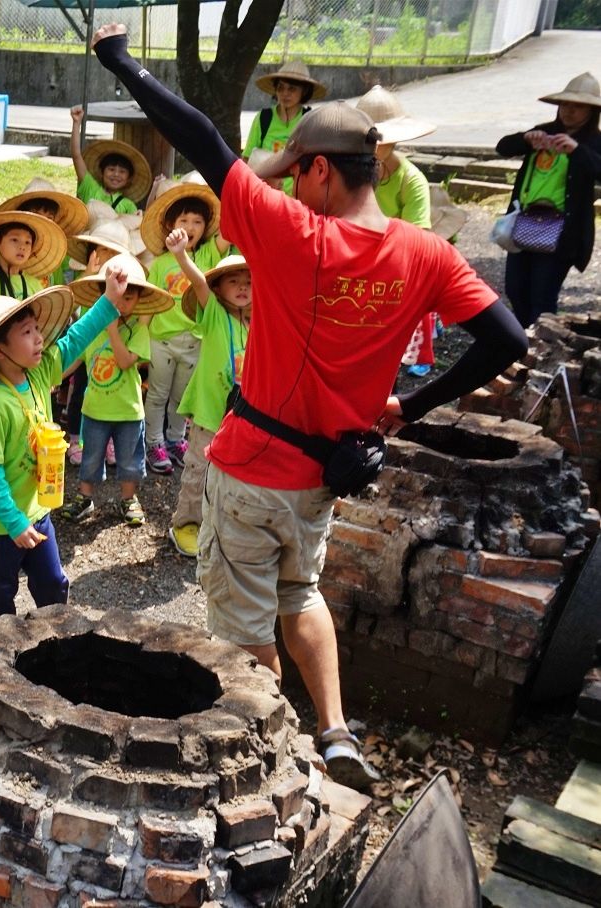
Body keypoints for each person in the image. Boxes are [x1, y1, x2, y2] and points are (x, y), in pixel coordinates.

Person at [92, 21, 526, 790]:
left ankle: (275, 746)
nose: (288, 183)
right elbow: (504, 337)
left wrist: (119, 60)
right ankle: (332, 730)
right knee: (303, 593)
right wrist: (411, 407)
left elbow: (197, 135)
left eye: (297, 169)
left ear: (322, 169)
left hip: (255, 466)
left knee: (244, 626)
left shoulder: (292, 232)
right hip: (329, 474)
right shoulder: (423, 253)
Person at [0, 269, 138, 628]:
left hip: (38, 512)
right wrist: (13, 522)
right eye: (26, 333)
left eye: (37, 329)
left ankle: (58, 651)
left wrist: (108, 302)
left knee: (53, 587)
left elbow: (73, 340)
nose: (40, 338)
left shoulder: (38, 374)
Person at [61, 254, 171, 526]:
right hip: (95, 410)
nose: (121, 304)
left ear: (138, 301)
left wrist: (110, 329)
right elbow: (74, 357)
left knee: (129, 460)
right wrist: (52, 377)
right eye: (115, 297)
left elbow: (124, 362)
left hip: (128, 412)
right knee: (91, 457)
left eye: (128, 298)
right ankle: (85, 498)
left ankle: (128, 499)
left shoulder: (138, 331)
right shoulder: (91, 328)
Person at [164, 242, 252, 558]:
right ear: (218, 288)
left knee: (231, 473)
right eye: (234, 281)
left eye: (249, 282)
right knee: (199, 470)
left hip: (241, 415)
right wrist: (181, 255)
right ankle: (185, 524)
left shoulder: (254, 326)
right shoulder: (214, 314)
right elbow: (198, 283)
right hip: (209, 412)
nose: (243, 287)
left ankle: (215, 523)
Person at [496, 72, 601, 328]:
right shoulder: (545, 131)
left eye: (578, 107)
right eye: (565, 104)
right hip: (526, 224)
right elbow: (503, 146)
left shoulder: (595, 141)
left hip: (563, 233)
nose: (569, 111)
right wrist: (525, 139)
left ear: (592, 111)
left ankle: (539, 349)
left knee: (542, 297)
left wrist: (577, 151)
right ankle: (522, 340)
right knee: (515, 288)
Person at [142, 175, 229, 474]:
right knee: (157, 394)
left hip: (195, 341)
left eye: (197, 222)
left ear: (206, 228)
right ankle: (153, 443)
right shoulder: (159, 263)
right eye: (183, 220)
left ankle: (175, 438)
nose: (189, 228)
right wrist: (140, 339)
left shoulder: (208, 254)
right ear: (170, 225)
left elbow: (230, 228)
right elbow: (148, 305)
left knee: (181, 397)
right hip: (161, 340)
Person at [355, 85, 438, 377]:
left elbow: (418, 238)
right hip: (352, 267)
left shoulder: (411, 180)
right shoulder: (351, 171)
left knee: (386, 360)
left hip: (393, 274)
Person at [61, 217, 136, 466]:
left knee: (108, 391)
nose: (108, 259)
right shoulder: (89, 283)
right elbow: (70, 302)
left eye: (114, 253)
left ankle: (109, 442)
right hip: (85, 345)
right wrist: (88, 273)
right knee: (80, 392)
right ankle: (75, 438)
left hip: (111, 344)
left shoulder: (128, 285)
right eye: (103, 251)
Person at [244, 60, 326, 195]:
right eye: (280, 88)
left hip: (297, 199)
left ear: (304, 91)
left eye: (292, 89)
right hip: (263, 195)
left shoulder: (309, 121)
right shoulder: (264, 118)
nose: (285, 94)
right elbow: (247, 159)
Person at [70, 107, 152, 214]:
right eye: (111, 169)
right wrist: (76, 123)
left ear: (129, 178)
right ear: (101, 172)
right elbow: (76, 156)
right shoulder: (90, 188)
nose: (116, 174)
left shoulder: (128, 205)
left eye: (122, 172)